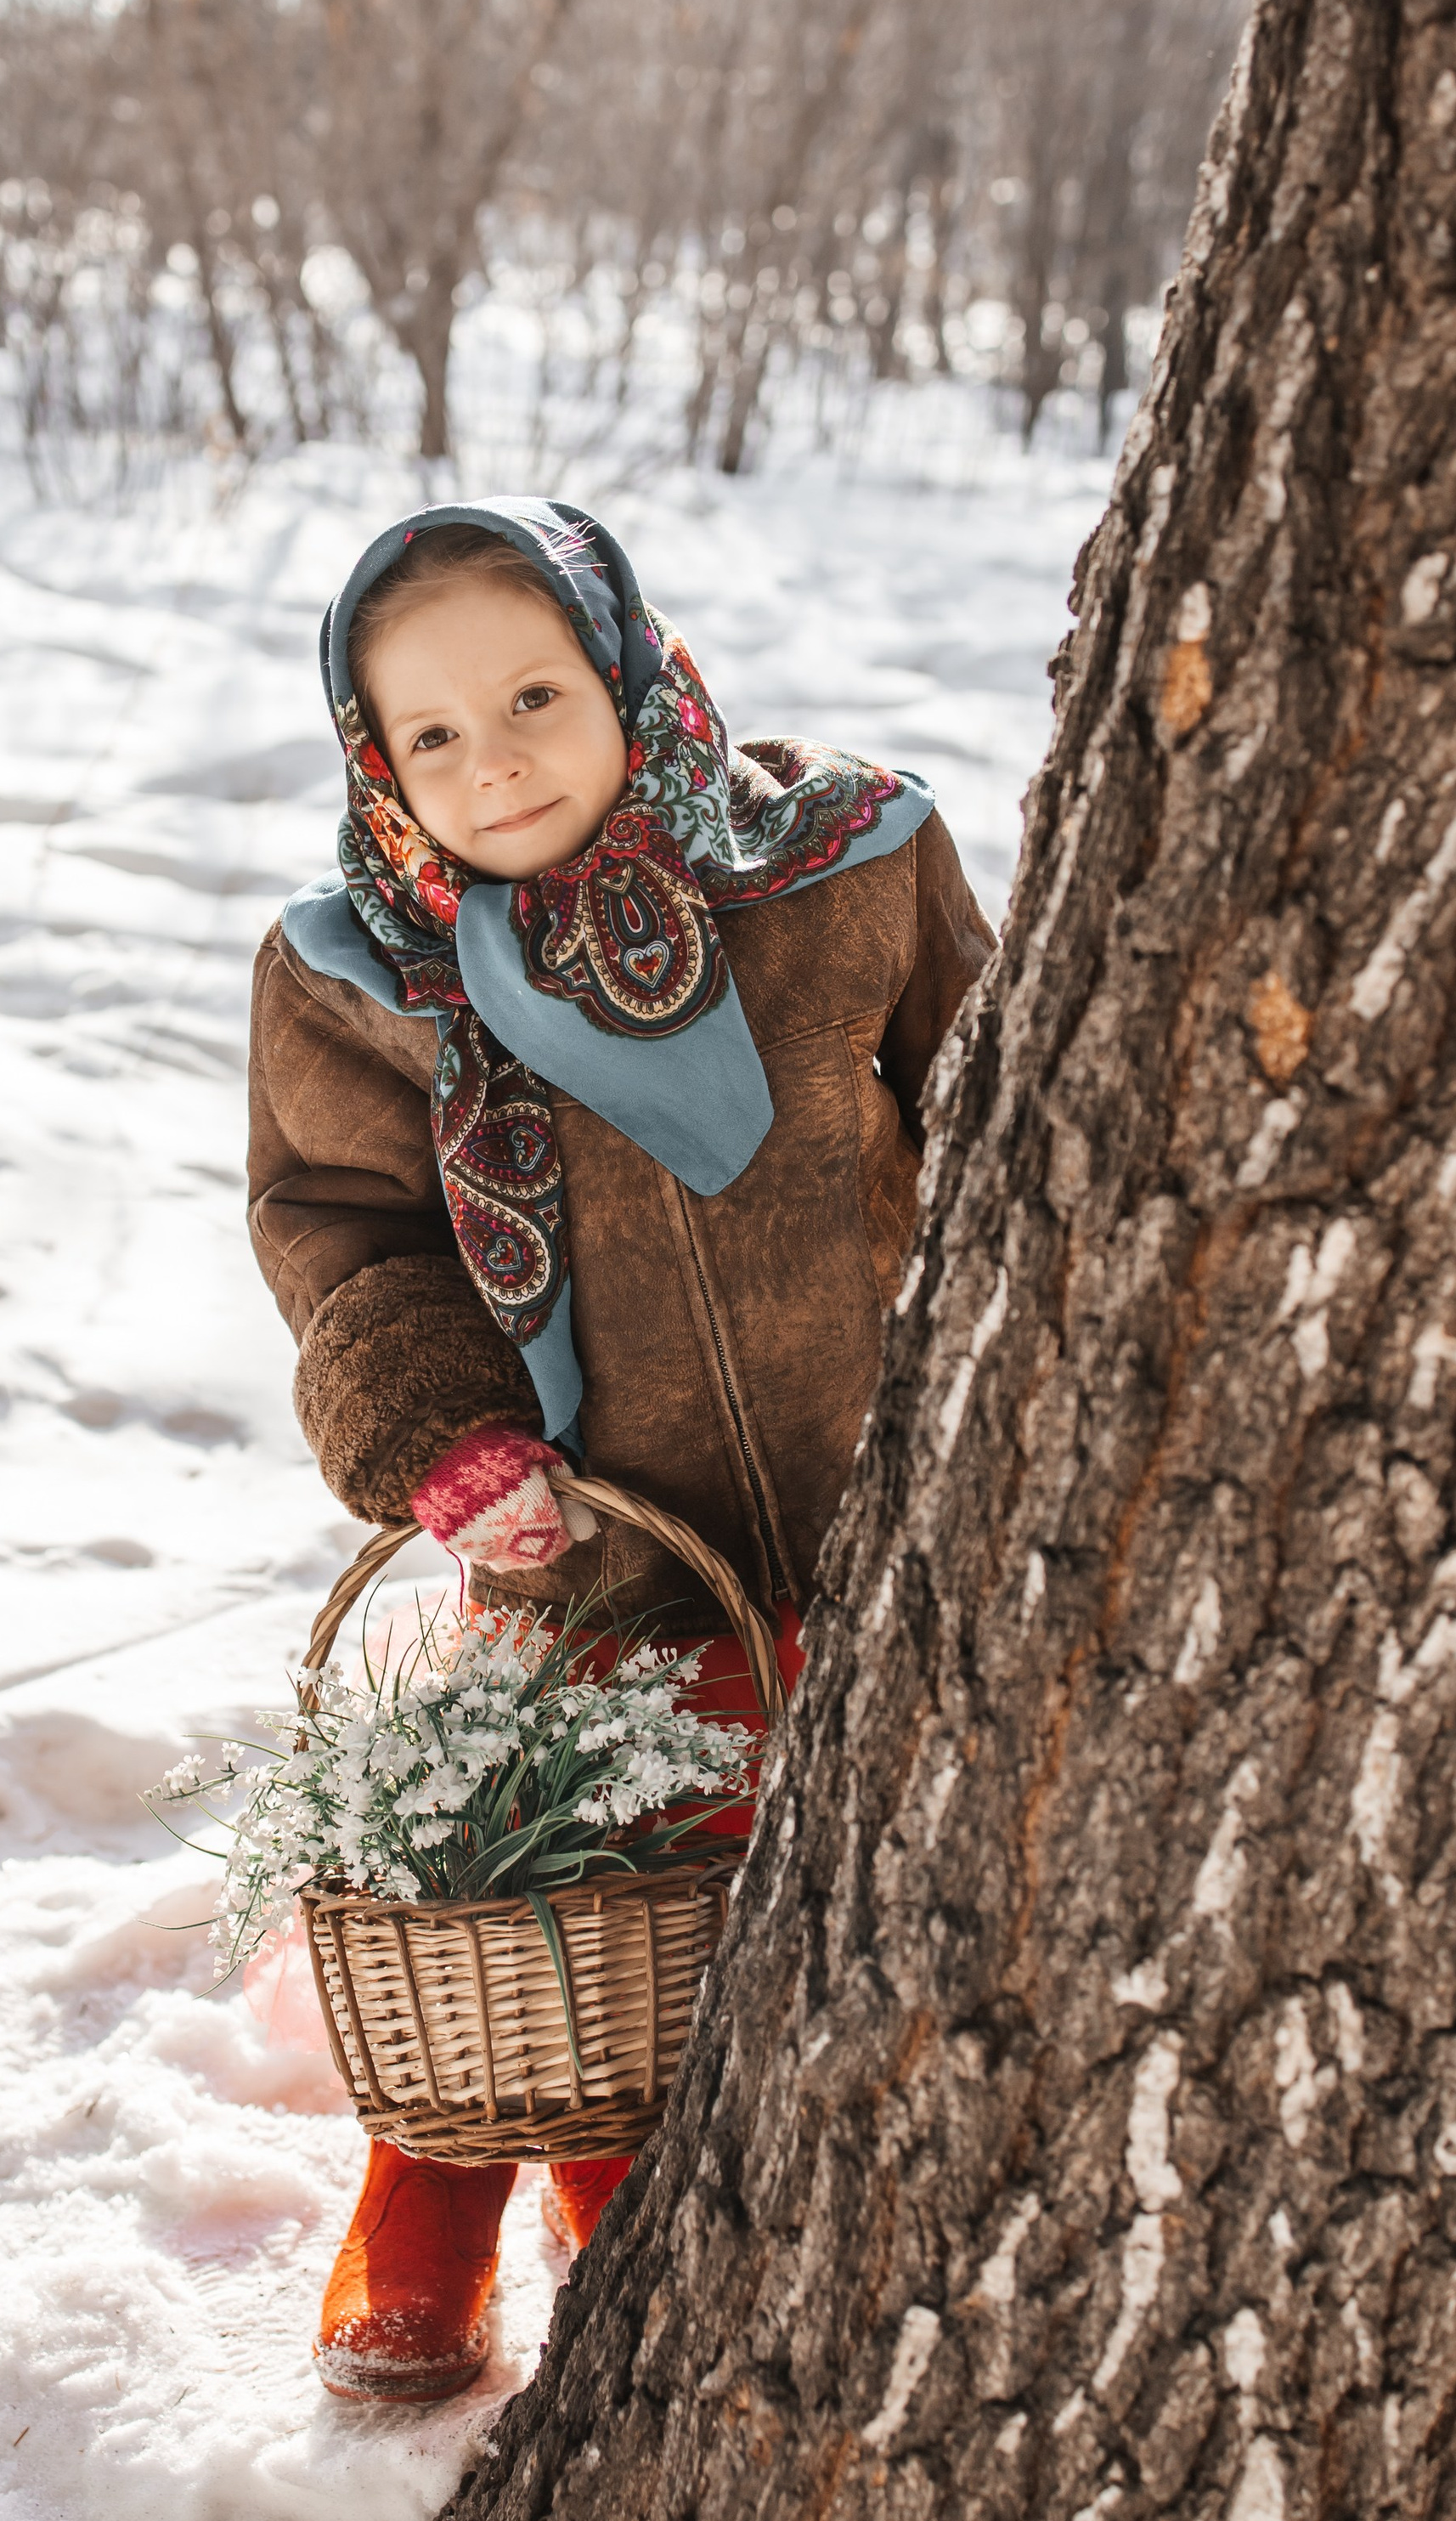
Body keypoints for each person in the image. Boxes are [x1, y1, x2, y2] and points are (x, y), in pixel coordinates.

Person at [247, 499, 992, 2399]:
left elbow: (1001, 1106)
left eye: (529, 695)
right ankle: (446, 2213)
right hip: (586, 1539)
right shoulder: (358, 975)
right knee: (548, 1897)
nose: (488, 761)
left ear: (624, 670)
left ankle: (681, 2205)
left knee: (799, 1902)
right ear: (373, 761)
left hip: (872, 1504)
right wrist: (439, 1433)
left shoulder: (845, 866)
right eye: (427, 735)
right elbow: (350, 1234)